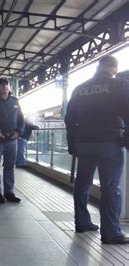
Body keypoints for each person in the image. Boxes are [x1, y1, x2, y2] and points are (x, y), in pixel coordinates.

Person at [65, 55, 129, 244]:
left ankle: (82, 222)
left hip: (83, 142)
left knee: (82, 184)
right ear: (114, 68)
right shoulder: (118, 85)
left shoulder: (79, 89)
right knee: (110, 189)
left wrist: (72, 144)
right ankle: (110, 233)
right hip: (109, 142)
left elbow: (70, 119)